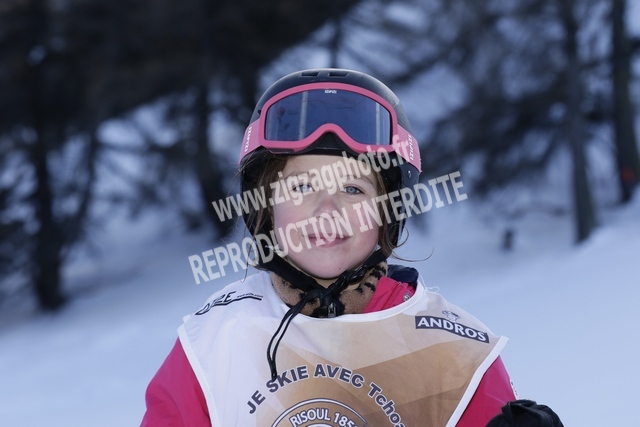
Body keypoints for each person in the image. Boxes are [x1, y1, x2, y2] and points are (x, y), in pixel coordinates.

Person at [141, 68, 519, 426]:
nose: (326, 211)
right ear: (267, 209)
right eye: (301, 187)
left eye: (353, 189)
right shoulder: (215, 340)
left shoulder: (451, 351)